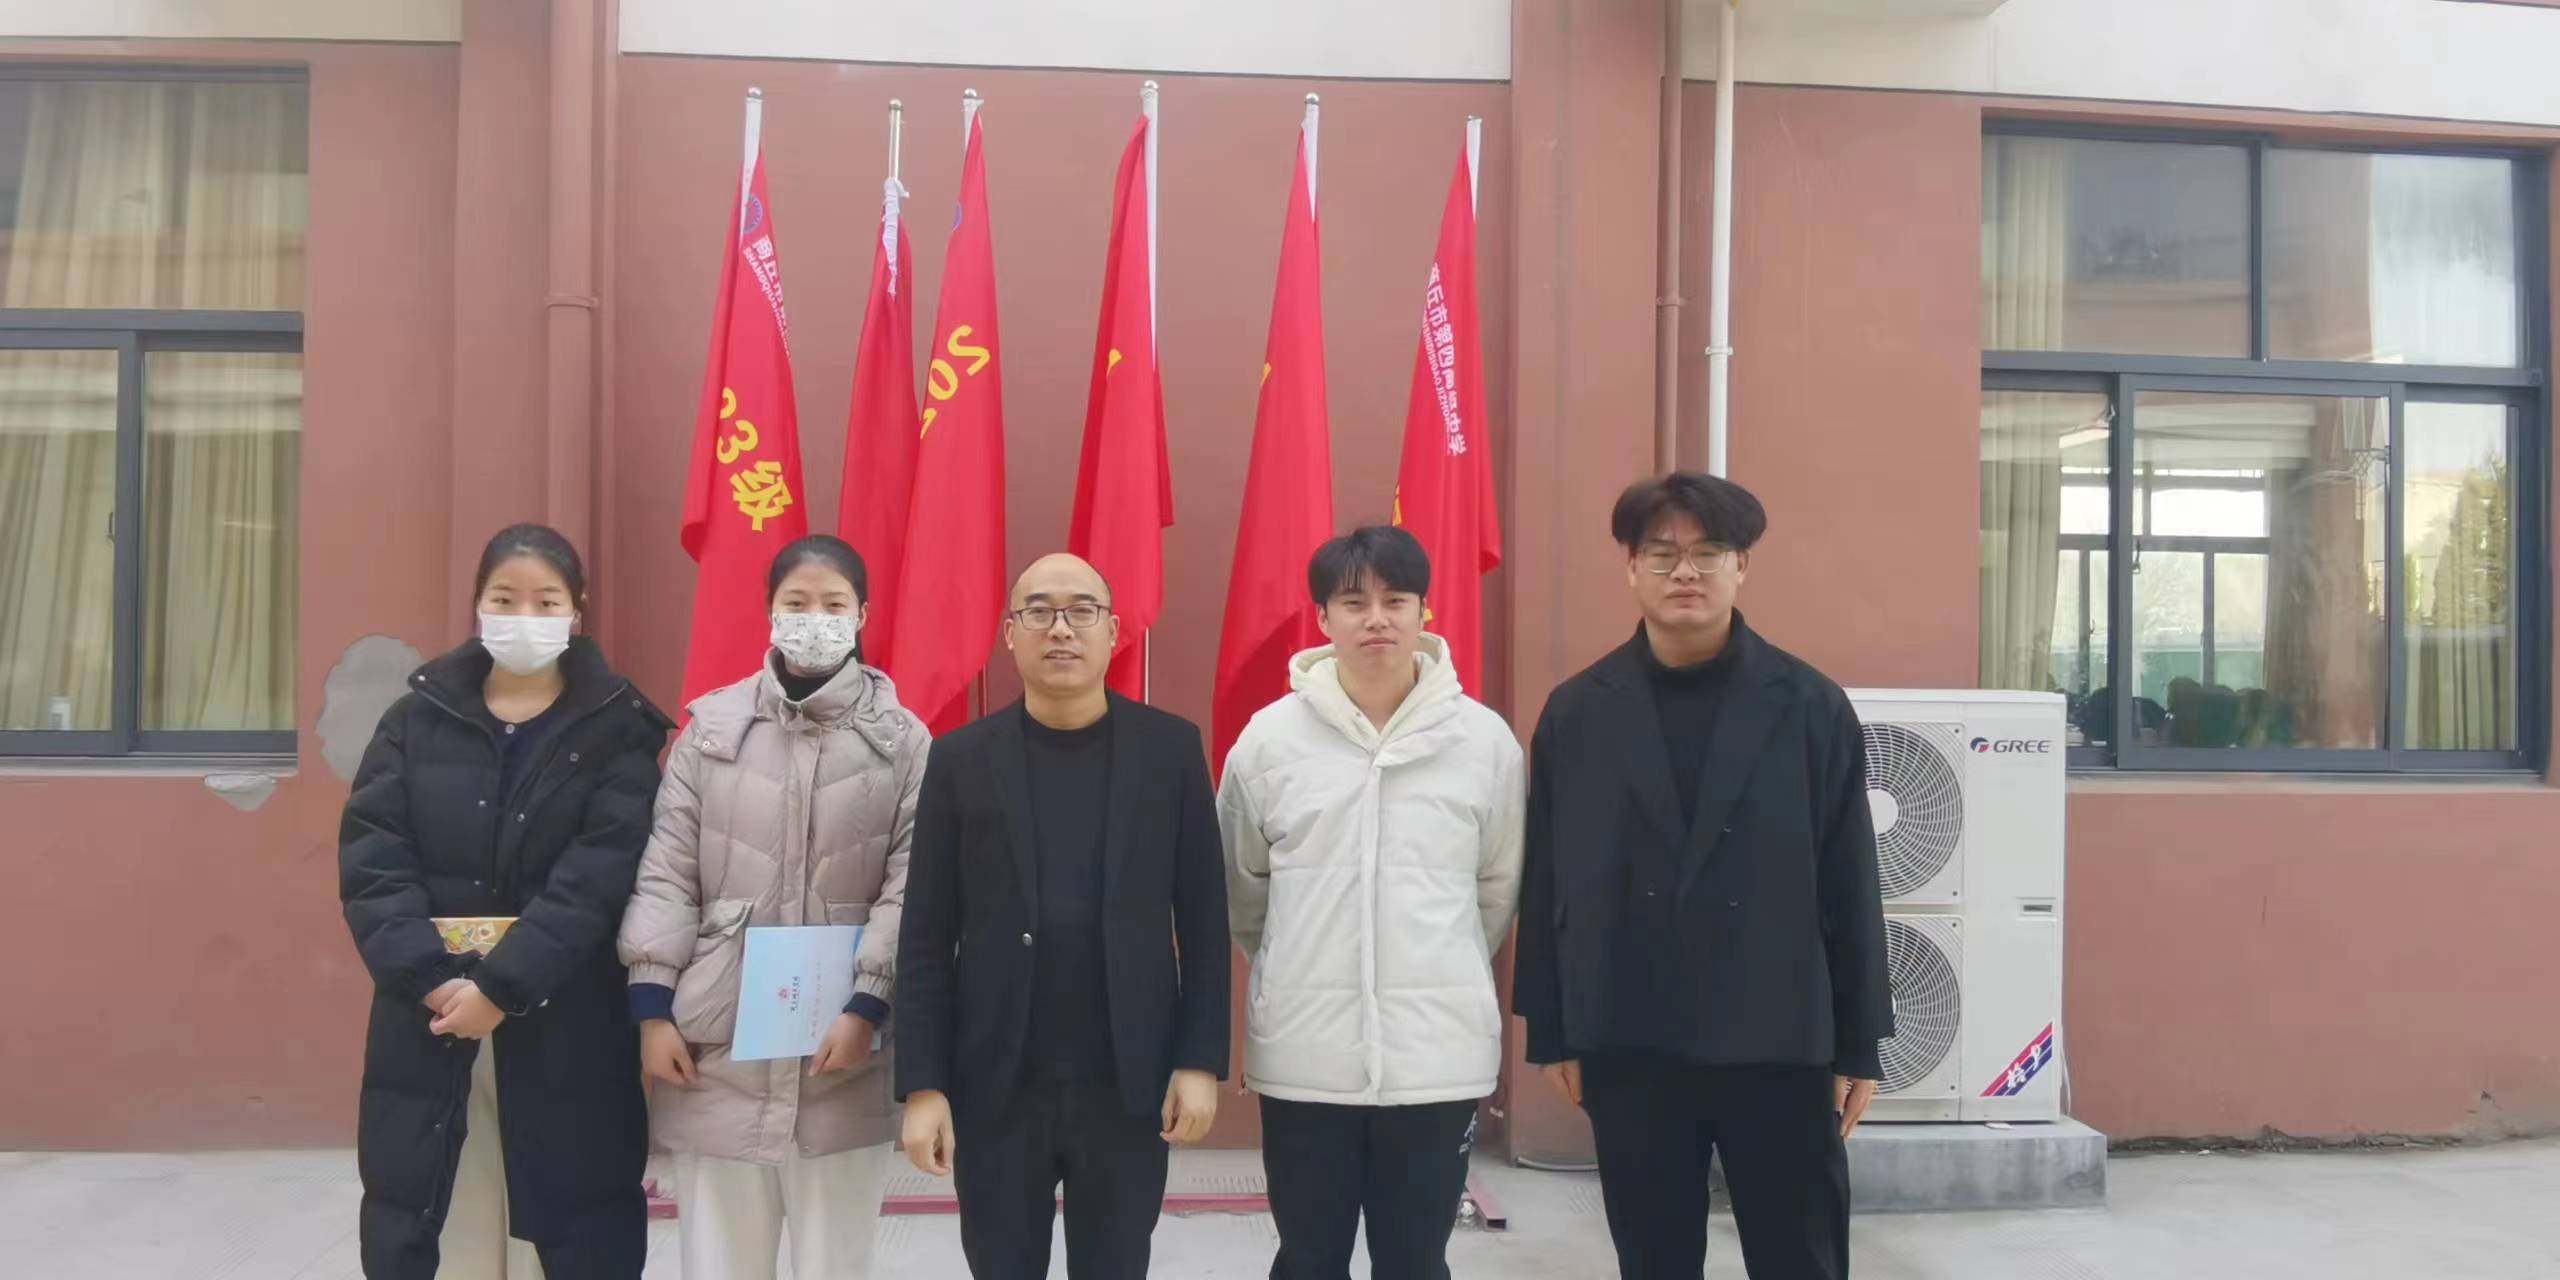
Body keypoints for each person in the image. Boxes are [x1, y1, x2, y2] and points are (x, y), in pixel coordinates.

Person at [1514, 473, 1893, 1280]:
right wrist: (1549, 1027)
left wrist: (1859, 1041)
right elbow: (1546, 878)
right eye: (1662, 554)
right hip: (1631, 1036)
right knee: (1653, 1259)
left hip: (1781, 1039)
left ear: (1742, 565)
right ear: (1631, 567)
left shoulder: (1810, 706)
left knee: (1800, 1257)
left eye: (1709, 553)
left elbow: (1850, 880)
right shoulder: (1578, 713)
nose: (1685, 571)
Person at [338, 523, 670, 1280]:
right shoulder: (414, 721)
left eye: (546, 601)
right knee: (441, 1213)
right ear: (477, 605)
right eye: (504, 598)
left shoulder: (619, 730)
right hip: (428, 1018)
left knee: (569, 1223)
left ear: (577, 610)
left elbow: (599, 875)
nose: (525, 616)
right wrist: (433, 977)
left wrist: (501, 986)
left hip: (566, 1020)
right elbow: (374, 864)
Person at [894, 553, 1230, 1280]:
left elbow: (1205, 922)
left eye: (1082, 611)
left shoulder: (1170, 750)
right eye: (1039, 611)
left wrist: (1199, 1060)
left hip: (1128, 1081)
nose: (1061, 629)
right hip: (996, 1083)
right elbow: (924, 935)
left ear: (1113, 630)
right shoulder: (959, 759)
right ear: (1009, 633)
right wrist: (923, 1084)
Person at [618, 534, 930, 1278]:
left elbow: (911, 885)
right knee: (718, 1263)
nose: (814, 619)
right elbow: (668, 871)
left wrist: (867, 1005)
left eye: (833, 604)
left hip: (843, 1053)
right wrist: (653, 1007)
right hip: (716, 1051)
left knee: (835, 1264)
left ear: (862, 614)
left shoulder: (904, 742)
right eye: (797, 603)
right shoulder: (712, 732)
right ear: (769, 611)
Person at [1219, 526, 1524, 1280]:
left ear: (1424, 611)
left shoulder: (1484, 743)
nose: (1376, 619)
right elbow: (1242, 890)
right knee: (1308, 1258)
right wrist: (1300, 963)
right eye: (1354, 603)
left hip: (1437, 1062)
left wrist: (1435, 965)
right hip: (1304, 1059)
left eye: (1396, 600)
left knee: (1415, 1260)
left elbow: (1496, 890)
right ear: (1323, 617)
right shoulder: (1268, 742)